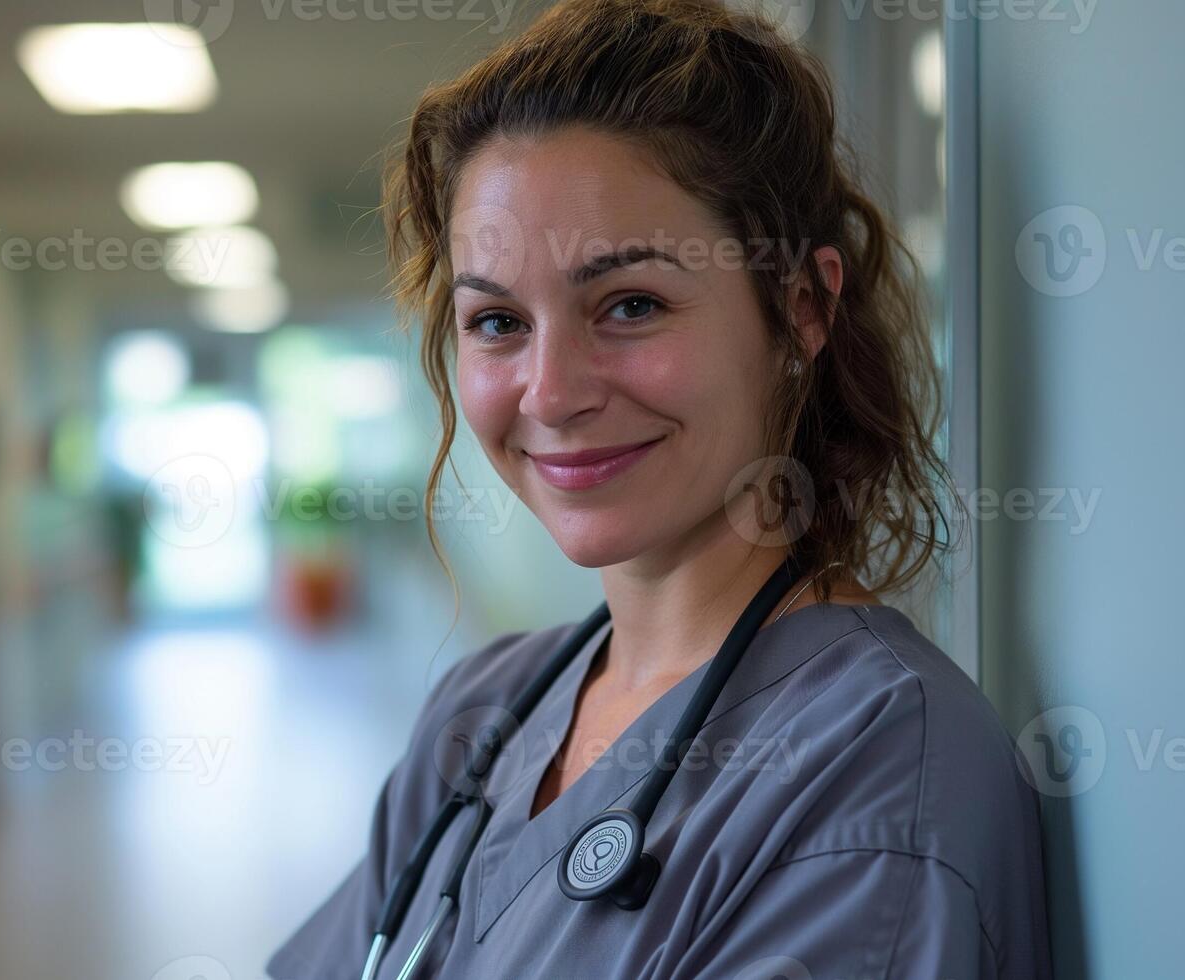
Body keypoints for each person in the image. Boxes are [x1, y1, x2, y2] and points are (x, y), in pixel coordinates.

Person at [267, 0, 1052, 976]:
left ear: (800, 309)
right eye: (499, 321)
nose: (551, 392)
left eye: (631, 304)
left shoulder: (880, 765)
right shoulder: (488, 711)